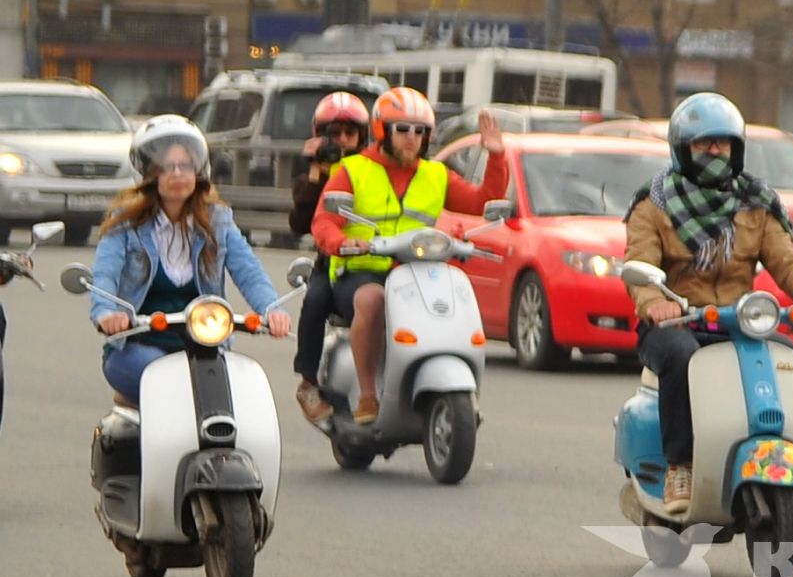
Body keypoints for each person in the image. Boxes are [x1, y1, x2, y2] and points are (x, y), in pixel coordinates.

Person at [623, 92, 793, 517]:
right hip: (676, 321)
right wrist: (654, 302)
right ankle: (679, 465)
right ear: (683, 148)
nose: (715, 151)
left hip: (737, 321)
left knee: (788, 356)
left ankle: (778, 451)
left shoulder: (755, 202)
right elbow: (639, 263)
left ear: (737, 149)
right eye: (704, 143)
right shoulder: (654, 204)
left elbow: (787, 260)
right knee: (681, 358)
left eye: (723, 143)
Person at [308, 90, 508, 423]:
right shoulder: (353, 169)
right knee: (373, 300)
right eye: (402, 129)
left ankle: (450, 386)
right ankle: (368, 395)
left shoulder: (435, 174)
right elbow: (324, 221)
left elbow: (482, 201)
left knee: (451, 297)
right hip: (362, 269)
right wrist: (343, 242)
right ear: (383, 130)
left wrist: (497, 155)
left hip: (417, 269)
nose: (411, 138)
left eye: (419, 131)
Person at [89, 116, 291, 407]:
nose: (178, 174)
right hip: (137, 344)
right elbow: (104, 274)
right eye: (166, 167)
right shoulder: (125, 224)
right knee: (164, 378)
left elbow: (248, 269)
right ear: (147, 172)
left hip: (204, 346)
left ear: (199, 169)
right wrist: (107, 314)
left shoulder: (218, 220)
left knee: (242, 390)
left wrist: (272, 310)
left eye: (185, 165)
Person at [289, 90, 370, 425]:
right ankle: (308, 381)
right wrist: (316, 173)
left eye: (349, 134)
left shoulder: (372, 170)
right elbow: (299, 224)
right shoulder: (315, 171)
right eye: (333, 134)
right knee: (316, 298)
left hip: (376, 261)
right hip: (332, 263)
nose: (342, 141)